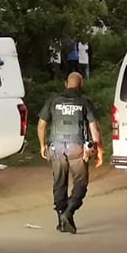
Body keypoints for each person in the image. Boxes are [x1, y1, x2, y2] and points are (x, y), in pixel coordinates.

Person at [36, 72, 104, 234]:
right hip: (77, 149)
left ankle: (62, 219)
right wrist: (99, 150)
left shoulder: (53, 100)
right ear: (82, 84)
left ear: (66, 83)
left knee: (59, 183)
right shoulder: (85, 102)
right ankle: (69, 212)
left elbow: (41, 125)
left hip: (56, 148)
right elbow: (94, 129)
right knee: (81, 183)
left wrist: (42, 145)